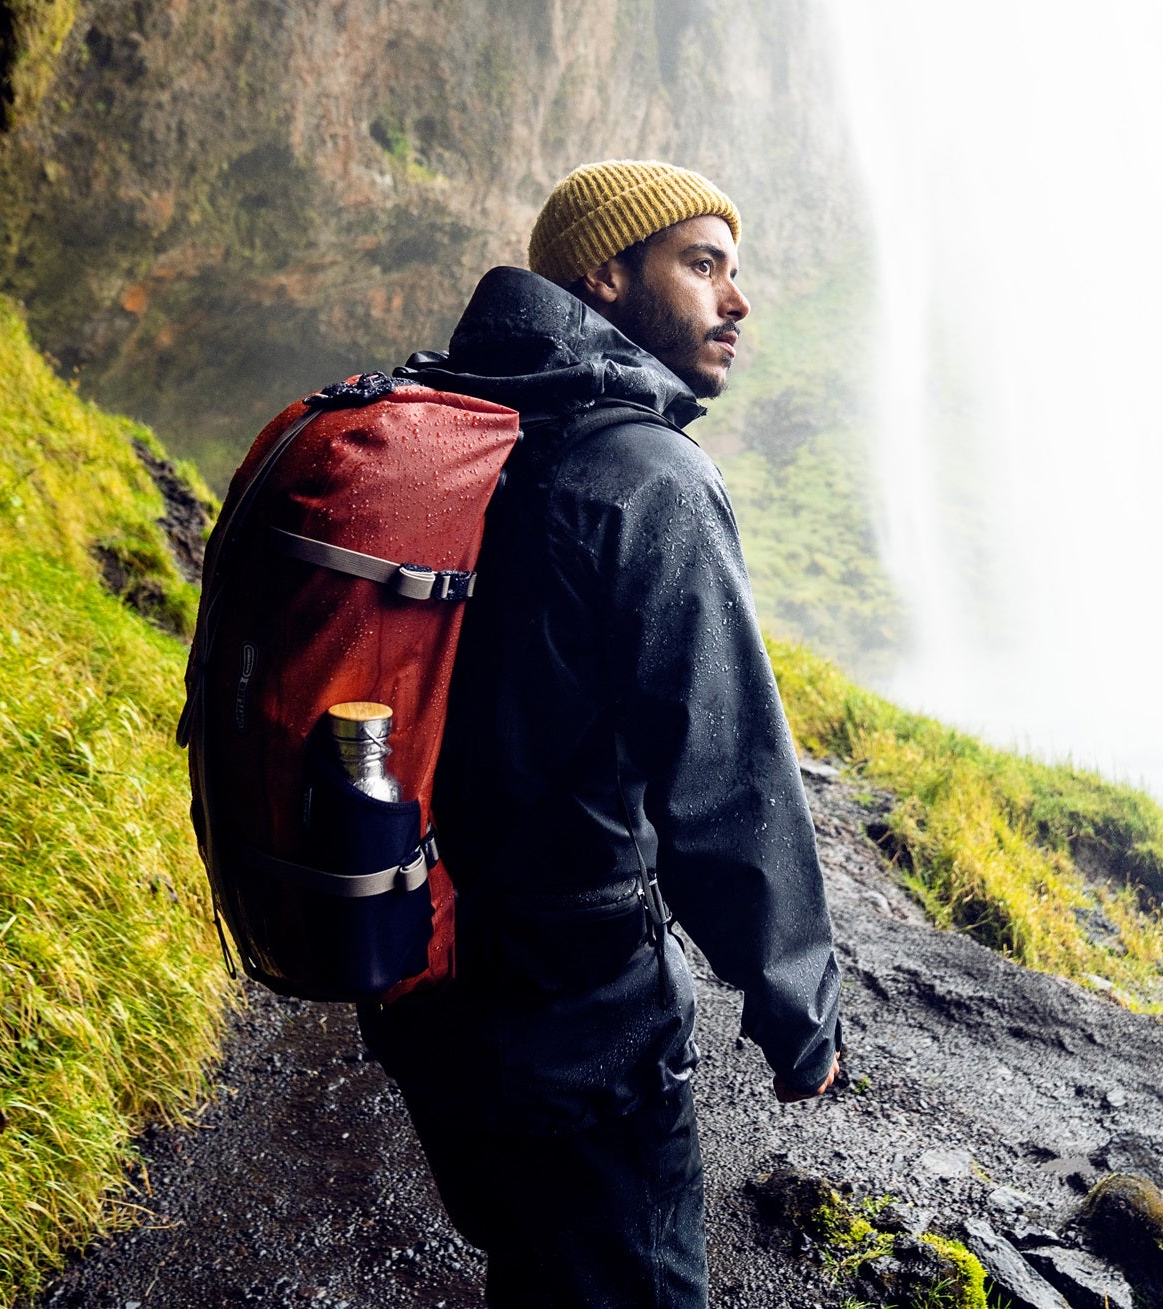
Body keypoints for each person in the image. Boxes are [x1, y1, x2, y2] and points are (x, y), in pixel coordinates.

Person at [357, 160, 843, 1308]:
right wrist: (799, 1009)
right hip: (579, 1025)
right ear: (604, 275)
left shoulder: (461, 430)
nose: (736, 300)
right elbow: (727, 779)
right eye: (702, 264)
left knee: (532, 1268)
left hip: (425, 986)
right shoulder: (646, 476)